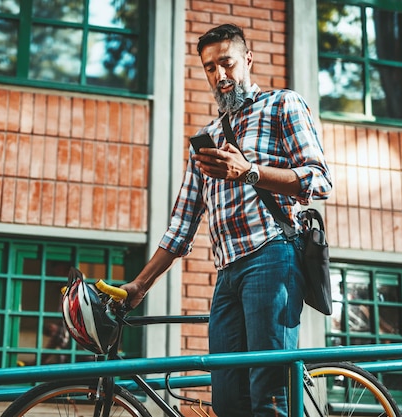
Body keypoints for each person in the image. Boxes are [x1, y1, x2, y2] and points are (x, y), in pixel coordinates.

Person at [120, 23, 333, 417]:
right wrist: (139, 285)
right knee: (228, 400)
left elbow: (320, 181)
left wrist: (249, 171)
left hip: (273, 255)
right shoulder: (206, 137)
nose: (220, 76)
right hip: (228, 274)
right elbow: (182, 224)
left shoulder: (282, 105)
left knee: (270, 396)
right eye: (209, 68)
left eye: (226, 63)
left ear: (247, 60)